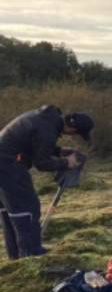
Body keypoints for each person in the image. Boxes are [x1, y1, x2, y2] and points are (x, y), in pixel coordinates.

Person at [0, 105, 93, 259]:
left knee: (11, 213)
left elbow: (33, 144)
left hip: (5, 163)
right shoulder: (47, 129)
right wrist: (66, 163)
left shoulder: (46, 119)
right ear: (72, 128)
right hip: (8, 166)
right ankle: (31, 257)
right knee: (28, 209)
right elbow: (41, 163)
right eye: (77, 134)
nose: (73, 136)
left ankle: (16, 258)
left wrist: (58, 151)